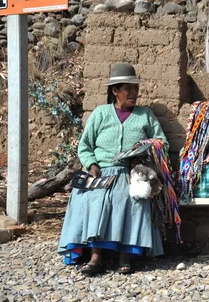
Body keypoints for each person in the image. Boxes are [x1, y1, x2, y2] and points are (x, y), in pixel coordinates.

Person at [58, 62, 168, 275]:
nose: (133, 93)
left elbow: (161, 141)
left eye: (135, 88)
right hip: (101, 171)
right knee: (92, 198)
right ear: (115, 91)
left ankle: (124, 256)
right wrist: (91, 164)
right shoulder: (100, 114)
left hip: (131, 173)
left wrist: (142, 152)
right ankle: (95, 256)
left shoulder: (145, 115)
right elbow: (85, 145)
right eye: (128, 89)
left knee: (130, 198)